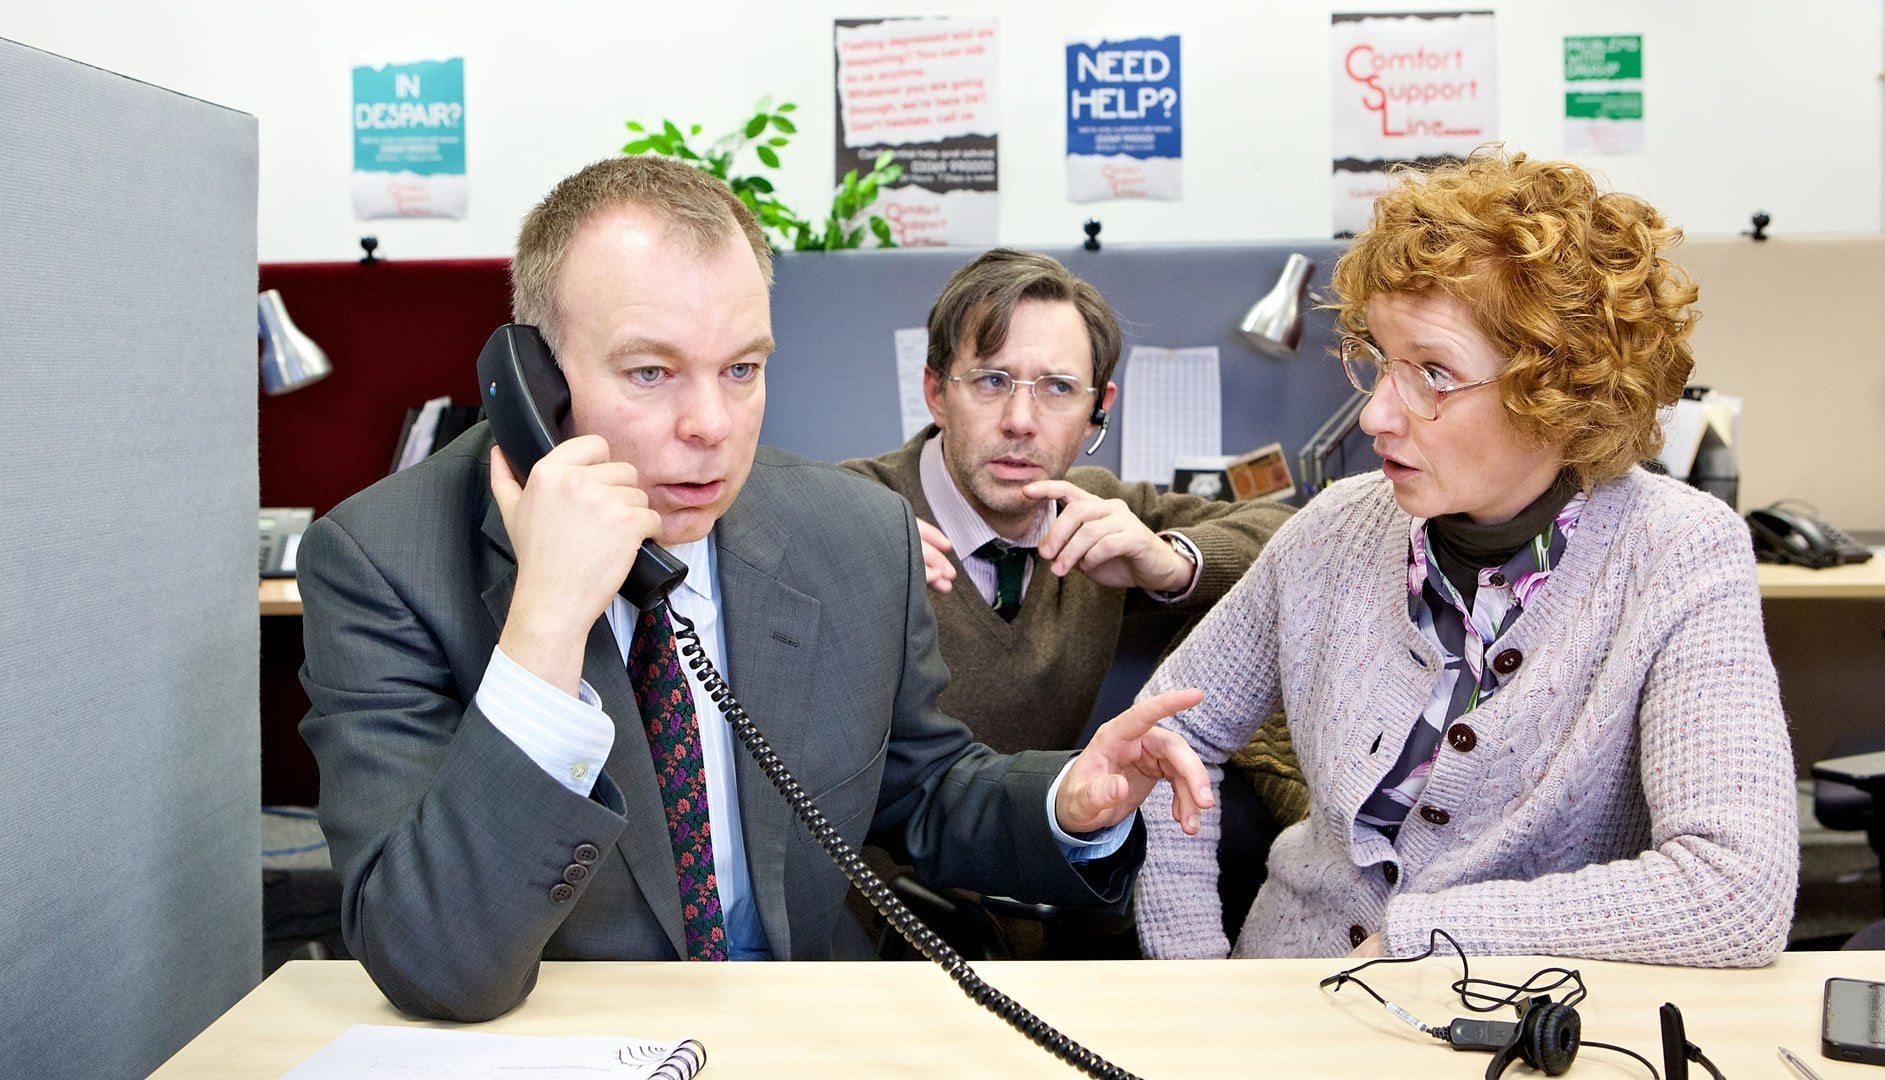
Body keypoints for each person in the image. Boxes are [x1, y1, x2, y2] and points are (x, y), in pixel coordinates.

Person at [297, 155, 1213, 1023]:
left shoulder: (853, 533)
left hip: (805, 1031)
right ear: (534, 380)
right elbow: (432, 963)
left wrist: (1067, 802)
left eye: (742, 369)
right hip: (556, 1041)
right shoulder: (385, 563)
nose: (711, 426)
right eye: (651, 371)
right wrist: (546, 621)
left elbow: (922, 791)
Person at [1133, 148, 1798, 967]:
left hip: (1517, 1017)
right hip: (1284, 1000)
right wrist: (1195, 980)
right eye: (1382, 361)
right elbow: (1164, 736)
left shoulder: (1677, 554)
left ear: (1557, 391)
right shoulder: (1334, 530)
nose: (1376, 416)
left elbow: (1736, 894)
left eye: (1433, 374)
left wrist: (1428, 937)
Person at [842, 249, 1294, 755]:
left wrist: (1171, 564)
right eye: (992, 381)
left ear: (1096, 412)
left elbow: (1295, 534)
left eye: (1058, 388)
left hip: (1050, 805)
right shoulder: (850, 513)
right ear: (936, 393)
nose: (1020, 421)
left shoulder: (1096, 512)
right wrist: (833, 565)